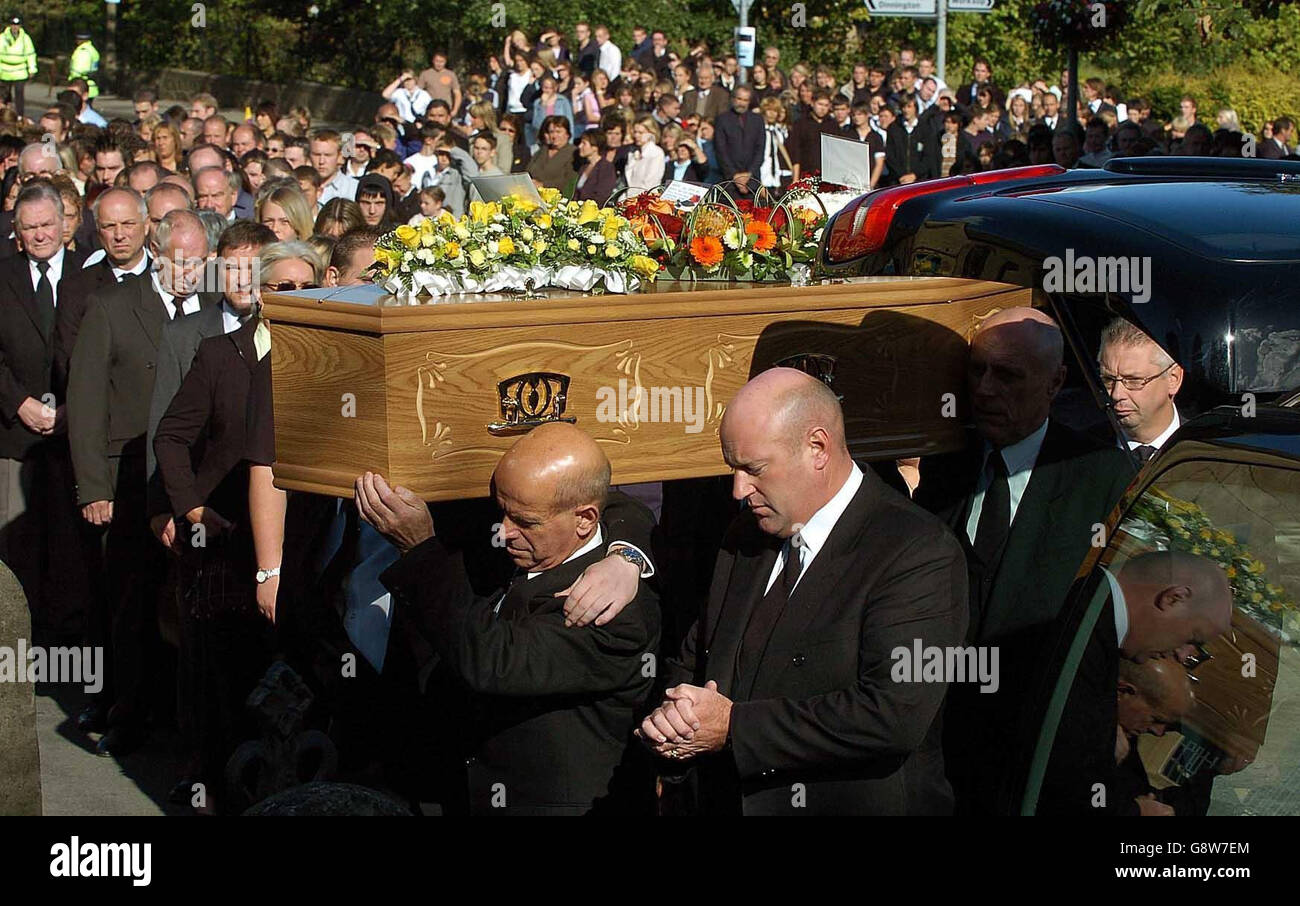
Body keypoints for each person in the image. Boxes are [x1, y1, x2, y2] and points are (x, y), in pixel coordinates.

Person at [628, 368, 967, 815]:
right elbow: (698, 657)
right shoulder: (746, 535)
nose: (738, 490)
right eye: (733, 469)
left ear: (817, 448)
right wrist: (672, 723)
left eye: (754, 469)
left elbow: (892, 714)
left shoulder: (917, 551)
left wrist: (734, 728)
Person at [363, 422, 660, 814]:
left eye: (525, 522)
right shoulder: (537, 540)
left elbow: (492, 659)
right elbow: (616, 503)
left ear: (585, 520)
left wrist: (419, 549)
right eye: (502, 512)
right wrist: (627, 551)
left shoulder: (609, 608)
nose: (504, 532)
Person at [912, 306, 1134, 813]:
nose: (985, 389)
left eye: (1008, 375)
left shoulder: (1098, 475)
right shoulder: (947, 460)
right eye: (977, 370)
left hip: (1040, 756)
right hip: (940, 753)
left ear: (1055, 384)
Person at [68, 209, 220, 757]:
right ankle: (125, 711)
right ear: (157, 253)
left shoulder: (214, 309)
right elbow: (86, 403)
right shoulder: (111, 307)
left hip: (187, 482)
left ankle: (179, 713)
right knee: (130, 600)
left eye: (199, 260)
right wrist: (93, 488)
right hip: (125, 480)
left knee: (185, 599)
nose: (188, 270)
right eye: (180, 259)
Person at [150, 231, 289, 812]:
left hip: (287, 543)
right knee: (219, 673)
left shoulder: (317, 363)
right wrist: (189, 507)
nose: (283, 293)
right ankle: (211, 780)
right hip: (221, 535)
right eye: (279, 285)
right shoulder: (217, 354)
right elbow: (171, 437)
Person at [1039, 550, 1232, 814]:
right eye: (1194, 639)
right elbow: (1055, 784)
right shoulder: (1082, 633)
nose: (1183, 655)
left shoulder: (1093, 619)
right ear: (1174, 598)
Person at [0, 183, 89, 646]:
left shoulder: (90, 273)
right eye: (29, 227)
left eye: (47, 225)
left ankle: (70, 635)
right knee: (18, 543)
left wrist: (76, 409)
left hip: (78, 433)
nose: (39, 235)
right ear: (17, 231)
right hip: (15, 434)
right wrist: (17, 402)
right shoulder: (3, 276)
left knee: (73, 540)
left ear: (65, 223)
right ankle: (19, 638)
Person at [1097, 319, 1183, 462]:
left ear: (1173, 379)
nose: (1117, 394)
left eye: (1133, 380)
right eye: (1108, 380)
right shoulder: (1084, 454)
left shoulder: (1209, 451)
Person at [713, 86, 763, 194]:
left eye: (745, 100)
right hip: (729, 182)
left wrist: (748, 175)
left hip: (752, 181)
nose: (742, 103)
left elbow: (760, 149)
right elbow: (720, 150)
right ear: (733, 99)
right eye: (739, 99)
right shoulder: (722, 120)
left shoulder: (758, 120)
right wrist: (735, 176)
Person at [526, 116, 576, 194]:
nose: (554, 136)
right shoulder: (542, 150)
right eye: (551, 132)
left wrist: (543, 185)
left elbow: (569, 180)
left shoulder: (573, 153)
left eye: (558, 132)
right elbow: (528, 170)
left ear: (567, 134)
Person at [310, 130, 358, 209]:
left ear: (340, 157)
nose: (321, 161)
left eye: (328, 155)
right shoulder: (299, 187)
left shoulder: (354, 188)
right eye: (317, 155)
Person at [0, 17, 35, 119]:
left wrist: (32, 69)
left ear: (20, 26)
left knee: (19, 95)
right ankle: (4, 115)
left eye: (17, 25)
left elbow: (30, 54)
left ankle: (20, 115)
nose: (15, 27)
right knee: (5, 95)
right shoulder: (2, 38)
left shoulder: (26, 39)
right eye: (13, 25)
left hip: (20, 72)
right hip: (4, 71)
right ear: (10, 25)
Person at [622, 117, 664, 198]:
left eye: (641, 133)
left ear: (651, 133)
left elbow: (650, 183)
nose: (636, 135)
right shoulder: (633, 152)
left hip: (645, 200)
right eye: (635, 132)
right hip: (627, 200)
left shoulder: (656, 153)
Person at [573, 130, 615, 203]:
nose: (580, 146)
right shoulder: (583, 167)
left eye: (584, 143)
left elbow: (602, 196)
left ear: (595, 147)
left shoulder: (606, 168)